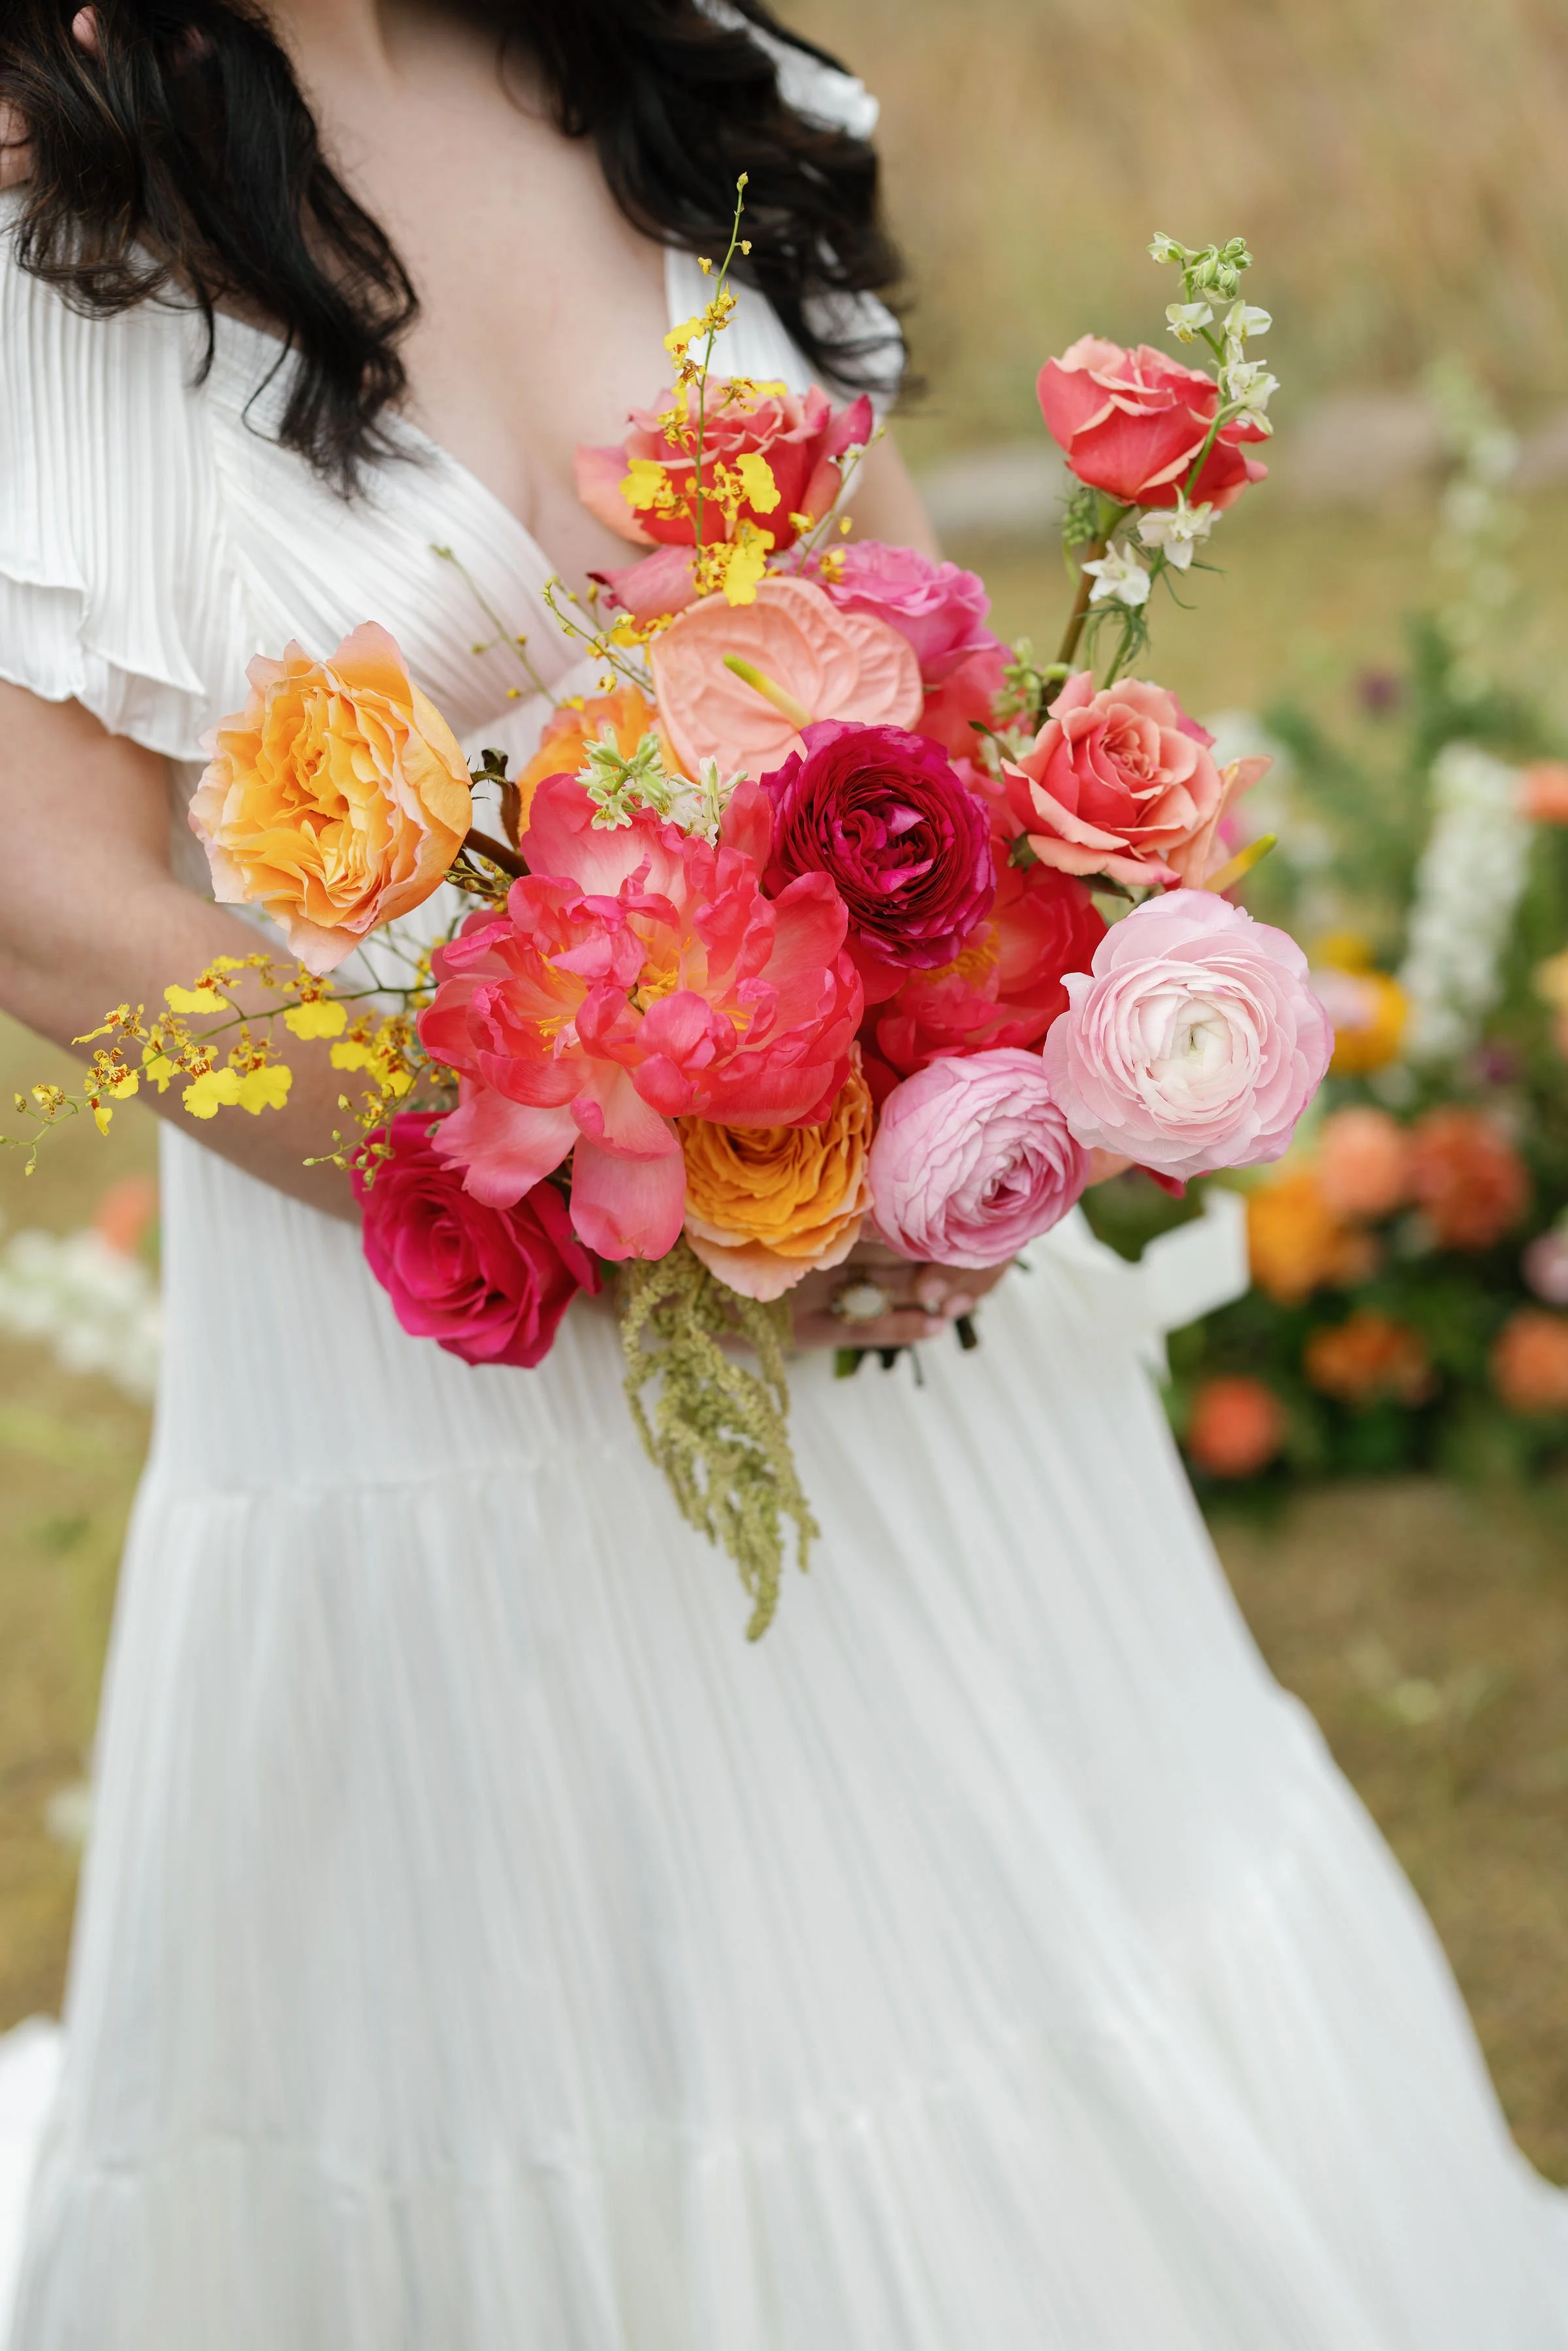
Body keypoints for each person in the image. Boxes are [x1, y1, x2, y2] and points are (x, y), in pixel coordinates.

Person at [0, 5, 1565, 2345]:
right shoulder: (57, 198)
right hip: (452, 1355)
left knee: (1061, 1907)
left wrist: (955, 1097)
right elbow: (56, 901)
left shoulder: (664, 65)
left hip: (892, 1273)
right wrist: (587, 1199)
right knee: (601, 2053)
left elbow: (907, 627)